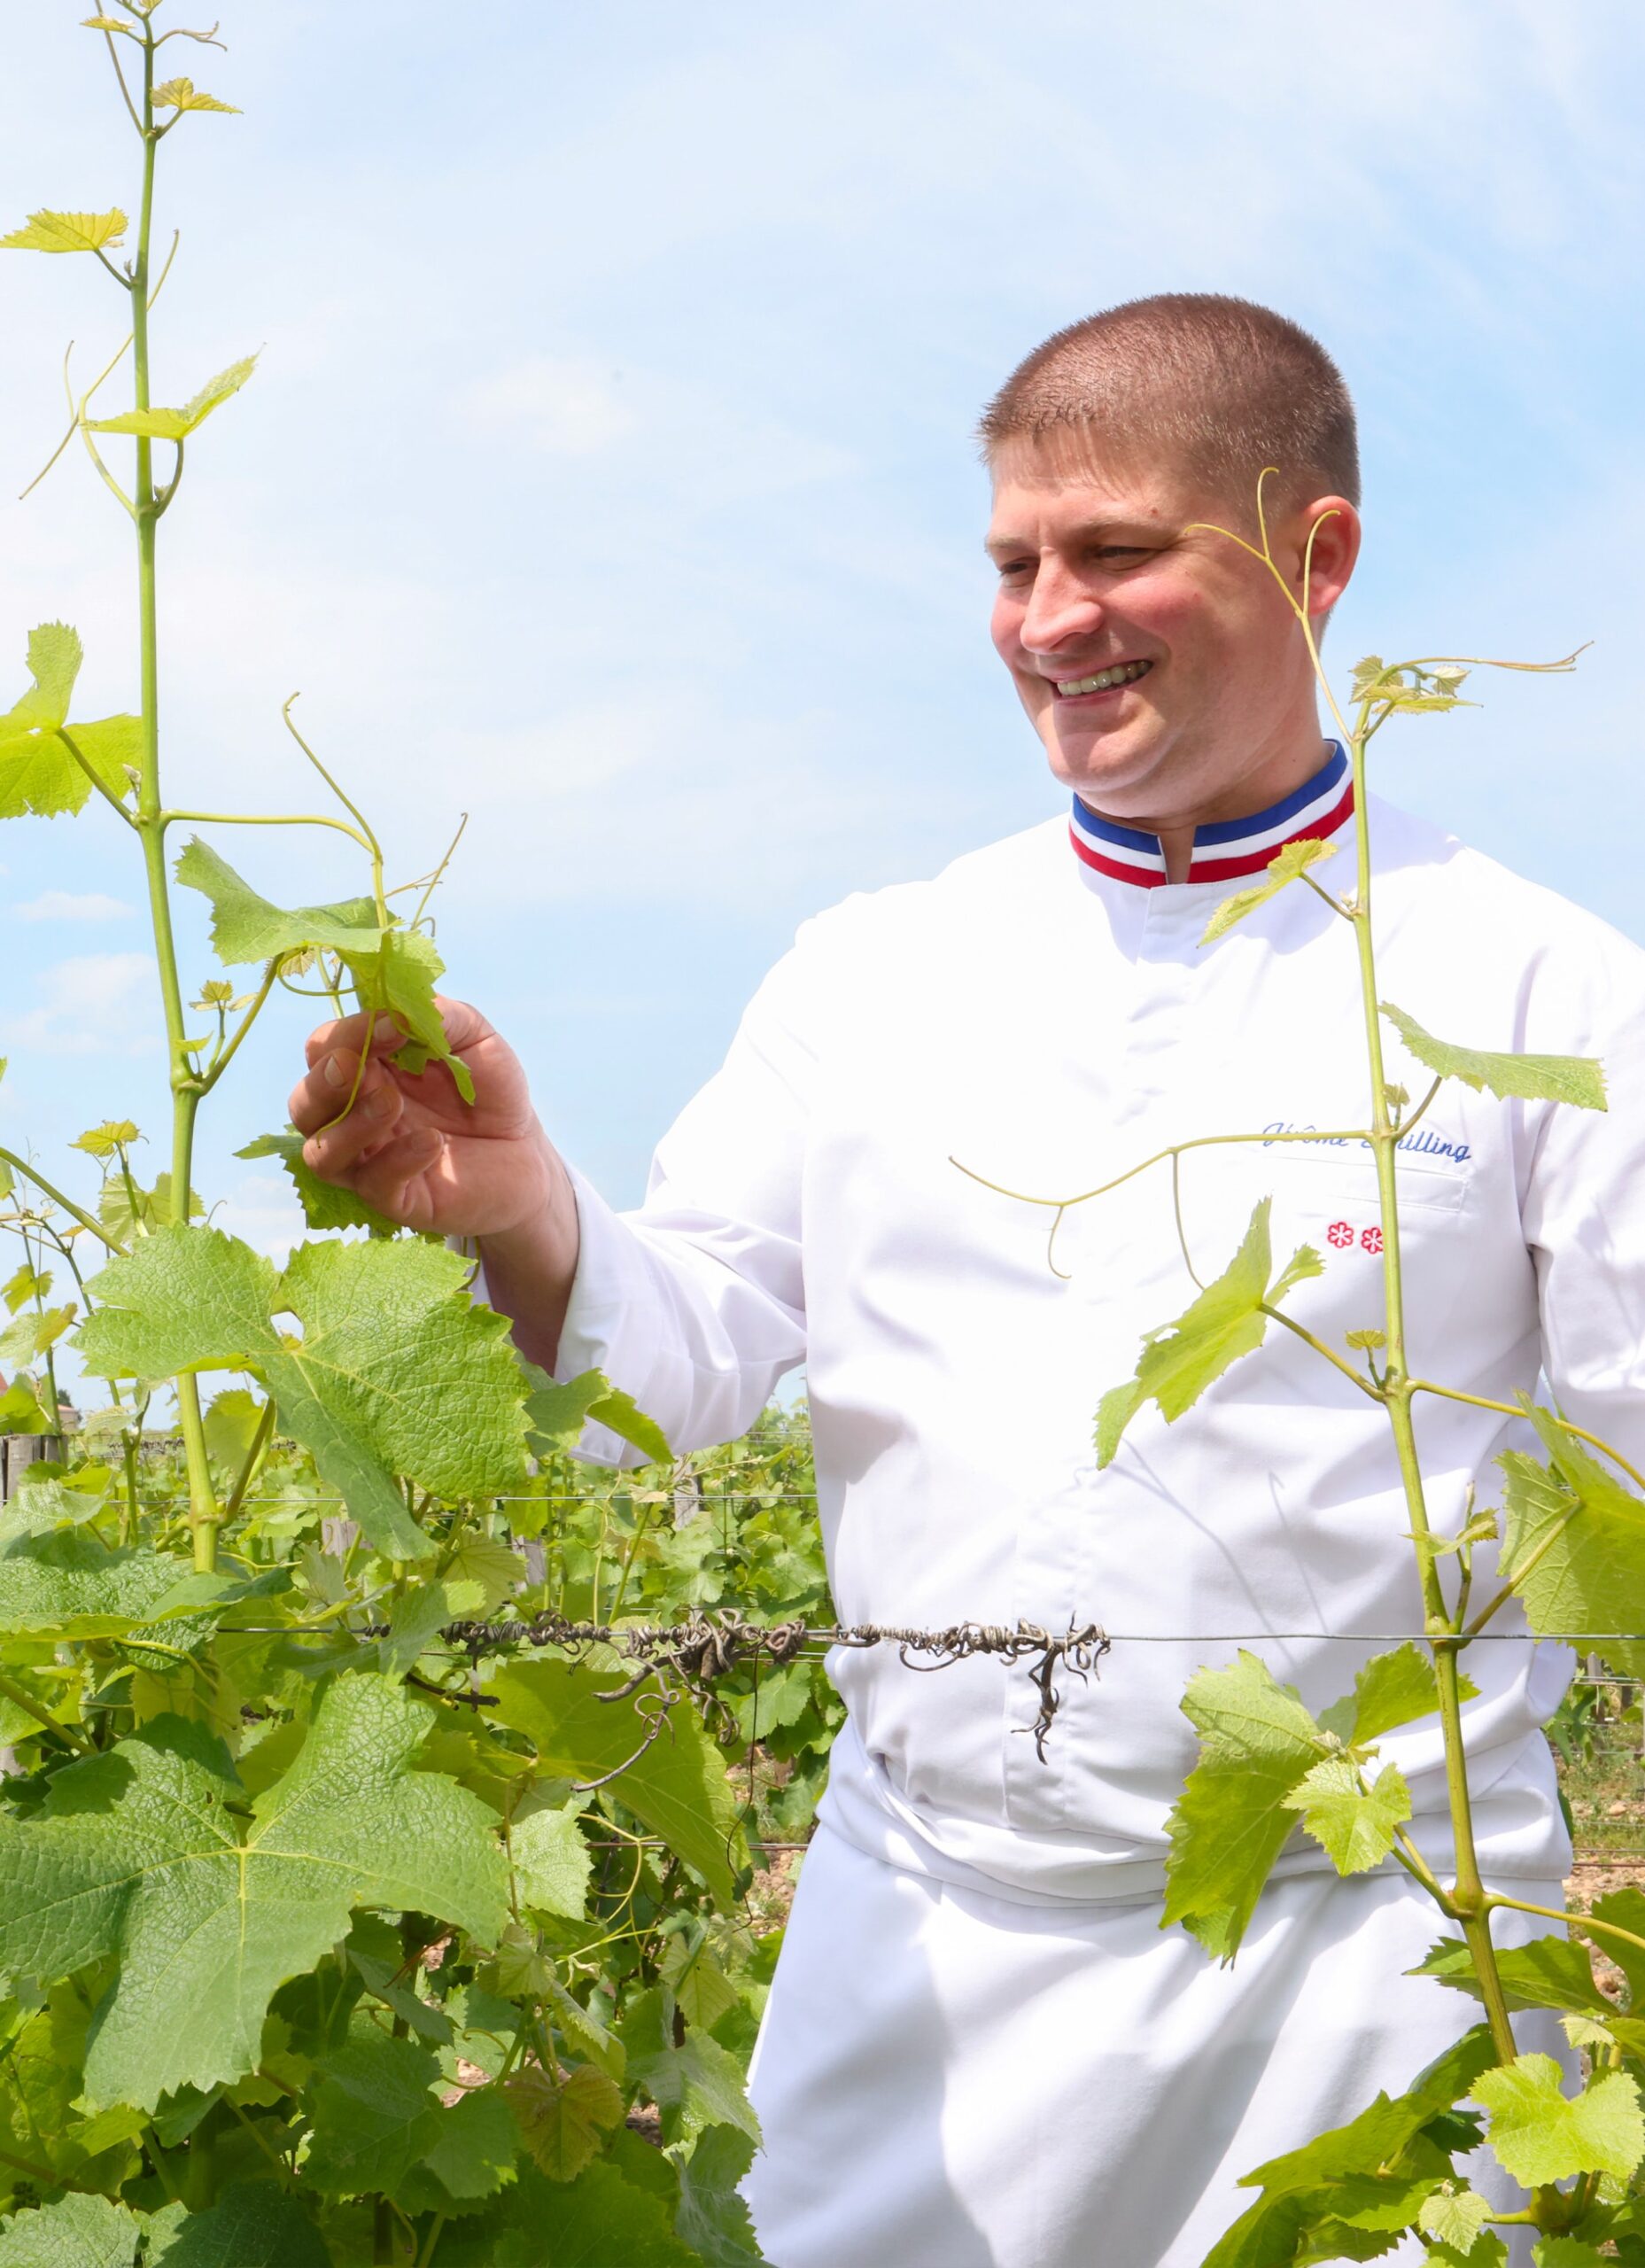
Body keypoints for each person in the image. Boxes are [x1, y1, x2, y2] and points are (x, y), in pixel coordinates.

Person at [289, 294, 1645, 2267]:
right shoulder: (871, 971)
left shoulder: (1539, 990)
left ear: (1315, 553)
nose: (1045, 619)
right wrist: (525, 1209)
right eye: (1012, 562)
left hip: (1388, 1964)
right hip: (926, 1950)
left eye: (1113, 552)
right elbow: (691, 1352)